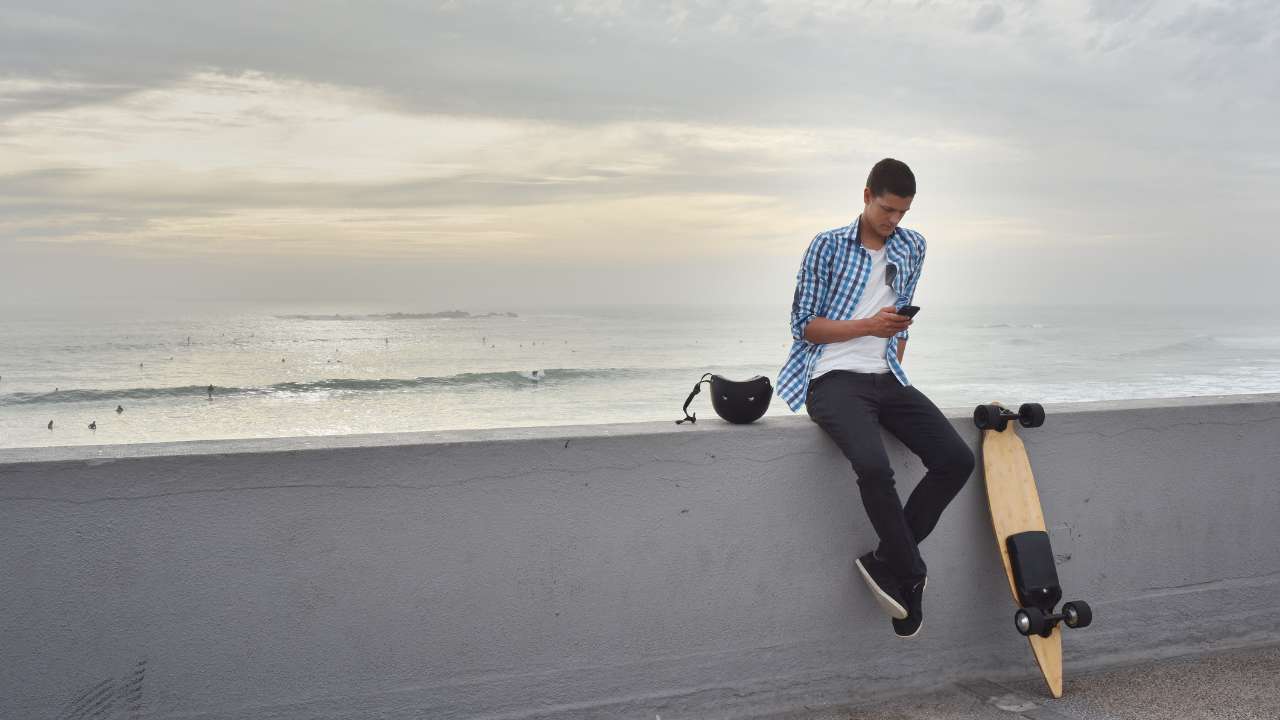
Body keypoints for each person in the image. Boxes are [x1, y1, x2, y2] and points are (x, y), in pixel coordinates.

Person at [776, 158, 975, 639]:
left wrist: (893, 341)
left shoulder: (912, 245)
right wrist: (869, 326)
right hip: (831, 378)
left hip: (887, 376)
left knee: (956, 459)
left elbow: (902, 317)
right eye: (887, 209)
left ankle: (888, 560)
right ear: (867, 195)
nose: (893, 221)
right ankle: (911, 571)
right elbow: (804, 326)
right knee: (874, 466)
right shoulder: (827, 246)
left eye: (902, 213)